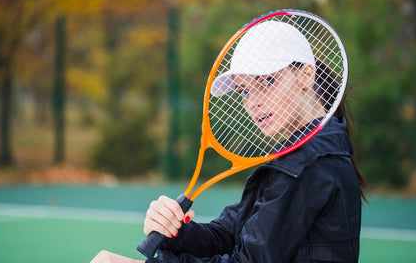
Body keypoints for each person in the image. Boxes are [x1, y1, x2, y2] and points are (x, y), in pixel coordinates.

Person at [91, 19, 367, 263]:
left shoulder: (309, 166)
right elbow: (229, 233)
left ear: (305, 75)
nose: (253, 102)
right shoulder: (303, 155)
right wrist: (176, 232)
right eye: (244, 91)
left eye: (267, 82)